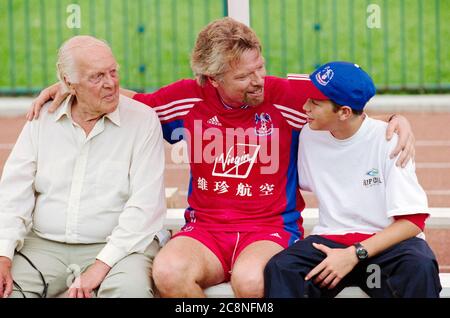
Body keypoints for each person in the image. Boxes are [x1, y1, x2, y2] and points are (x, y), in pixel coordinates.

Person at [26, 18, 416, 298]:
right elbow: (131, 102)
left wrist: (396, 122)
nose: (258, 80)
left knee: (253, 280)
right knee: (168, 271)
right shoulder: (186, 99)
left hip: (269, 228)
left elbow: (347, 107)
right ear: (213, 79)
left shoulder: (286, 94)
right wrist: (69, 87)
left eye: (259, 67)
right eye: (244, 76)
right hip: (206, 229)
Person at [0, 35, 166, 298]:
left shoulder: (142, 120)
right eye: (97, 77)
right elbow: (13, 193)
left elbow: (145, 207)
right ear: (68, 82)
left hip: (121, 249)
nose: (111, 84)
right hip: (43, 246)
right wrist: (4, 254)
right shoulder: (42, 118)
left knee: (130, 291)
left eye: (113, 72)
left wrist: (100, 267)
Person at [264, 61, 441, 298]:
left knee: (419, 266)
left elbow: (413, 221)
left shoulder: (390, 140)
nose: (305, 107)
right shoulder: (310, 133)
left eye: (314, 103)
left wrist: (353, 254)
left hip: (386, 246)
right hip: (331, 241)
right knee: (282, 269)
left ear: (345, 112)